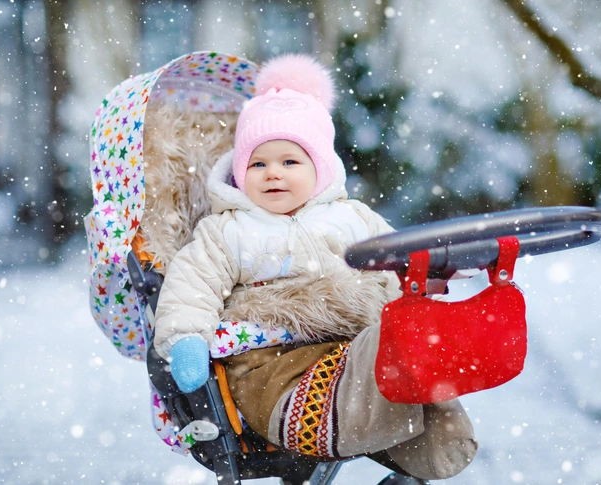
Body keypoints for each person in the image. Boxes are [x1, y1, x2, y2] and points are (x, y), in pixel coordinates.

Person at [153, 53, 477, 480]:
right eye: (258, 163)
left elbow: (397, 263)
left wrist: (434, 271)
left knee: (400, 337)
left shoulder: (353, 218)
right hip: (272, 369)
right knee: (381, 352)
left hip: (349, 346)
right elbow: (191, 284)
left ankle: (431, 419)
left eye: (290, 162)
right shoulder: (226, 230)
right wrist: (186, 340)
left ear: (319, 166)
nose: (273, 174)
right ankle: (394, 390)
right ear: (239, 171)